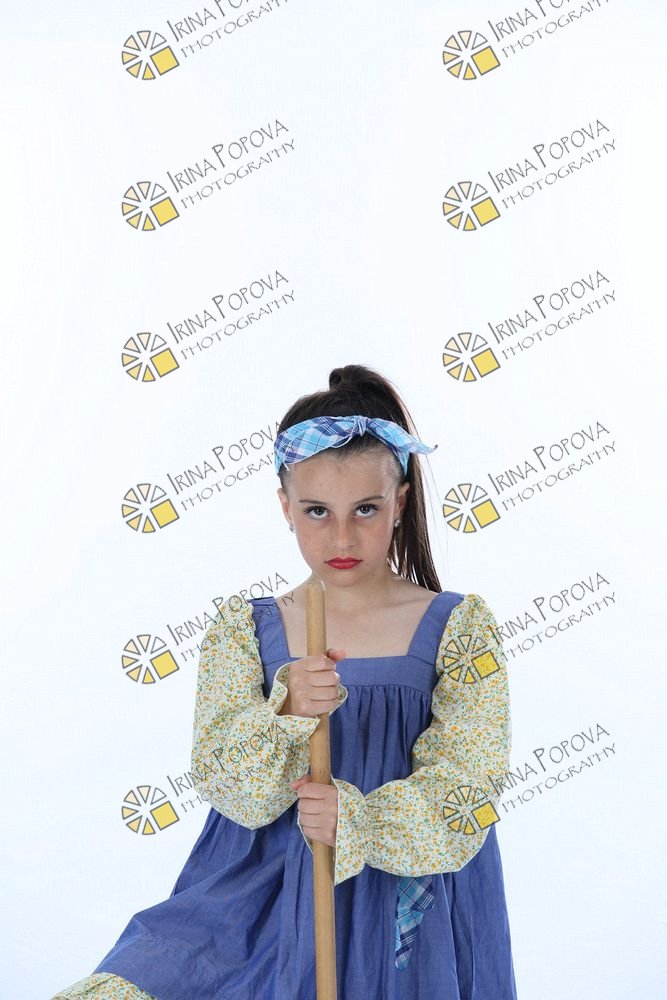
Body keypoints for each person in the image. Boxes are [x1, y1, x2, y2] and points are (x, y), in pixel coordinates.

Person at [51, 364, 517, 999]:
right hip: (253, 902)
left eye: (367, 509)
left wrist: (360, 821)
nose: (342, 536)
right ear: (285, 507)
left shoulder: (459, 629)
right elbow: (226, 783)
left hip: (401, 906)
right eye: (317, 511)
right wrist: (285, 713)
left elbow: (471, 789)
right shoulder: (245, 630)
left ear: (401, 503)